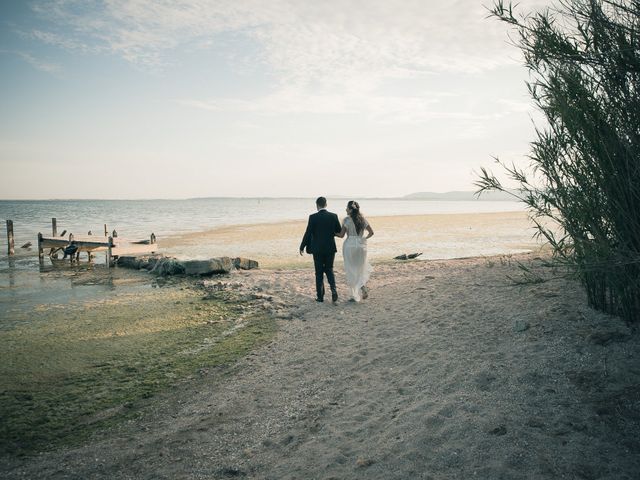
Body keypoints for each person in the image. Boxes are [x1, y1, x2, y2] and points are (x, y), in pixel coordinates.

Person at [299, 196, 342, 303]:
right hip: (330, 248)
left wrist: (302, 246)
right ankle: (333, 290)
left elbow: (308, 232)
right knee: (329, 269)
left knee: (319, 273)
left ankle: (320, 297)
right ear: (326, 204)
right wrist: (330, 232)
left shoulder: (313, 217)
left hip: (317, 249)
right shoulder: (333, 216)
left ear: (317, 205)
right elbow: (338, 231)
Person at [336, 200, 374, 302]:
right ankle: (362, 287)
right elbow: (371, 232)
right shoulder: (363, 220)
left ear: (350, 210)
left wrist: (332, 233)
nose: (345, 209)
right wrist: (364, 239)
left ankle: (354, 295)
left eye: (347, 208)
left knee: (351, 269)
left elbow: (341, 235)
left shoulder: (346, 220)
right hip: (361, 246)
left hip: (350, 246)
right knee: (360, 269)